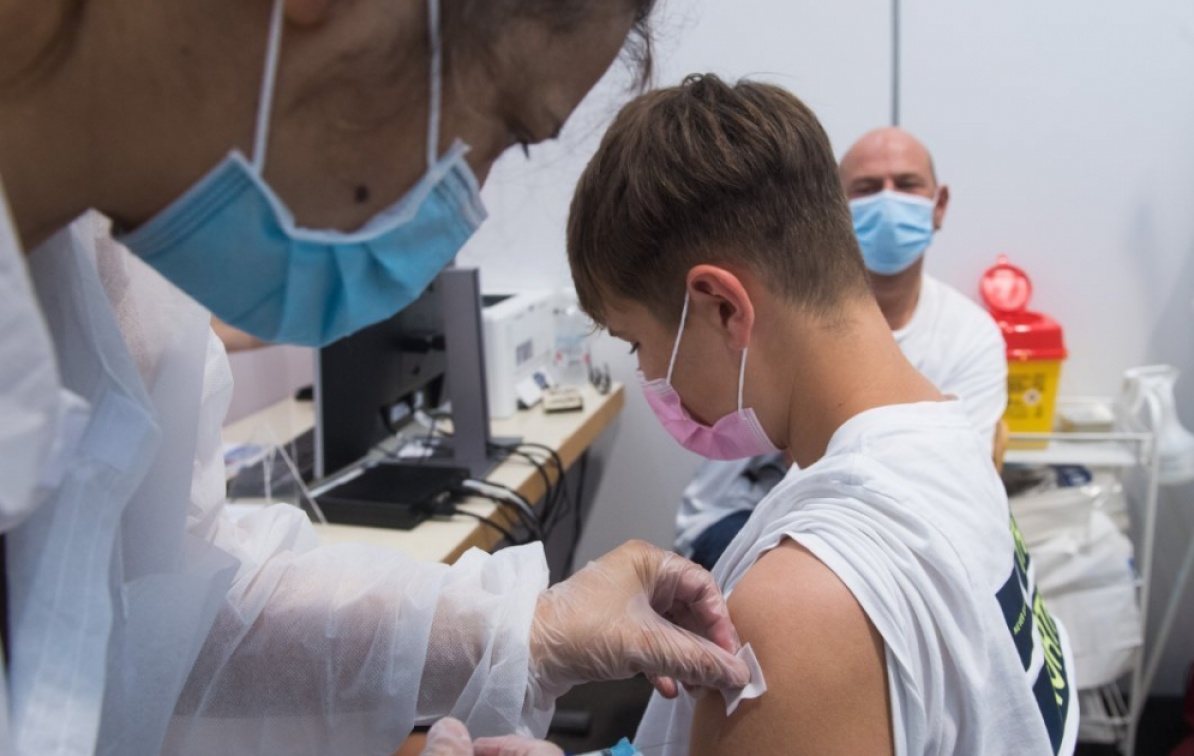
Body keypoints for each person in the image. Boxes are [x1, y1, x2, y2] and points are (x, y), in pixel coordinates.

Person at [0, 1, 749, 753]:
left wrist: (530, 630)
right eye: (508, 127)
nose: (464, 202)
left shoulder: (115, 295)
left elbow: (169, 607)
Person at [564, 75, 1078, 754]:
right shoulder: (945, 439)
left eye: (637, 342)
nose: (648, 374)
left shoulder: (801, 609)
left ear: (723, 307)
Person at [675, 126, 1007, 570]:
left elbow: (954, 489)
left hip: (888, 542)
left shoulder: (970, 335)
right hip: (748, 520)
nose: (888, 203)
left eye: (907, 185)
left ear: (939, 204)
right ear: (833, 209)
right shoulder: (779, 320)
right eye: (866, 189)